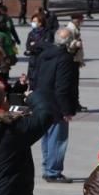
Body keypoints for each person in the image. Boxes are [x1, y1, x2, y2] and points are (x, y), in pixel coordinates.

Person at [35, 28, 80, 183]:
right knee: (58, 139)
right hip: (56, 104)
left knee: (47, 137)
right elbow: (63, 87)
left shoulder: (44, 55)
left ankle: (48, 168)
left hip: (42, 101)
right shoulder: (65, 58)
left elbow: (35, 76)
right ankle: (53, 171)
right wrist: (66, 110)